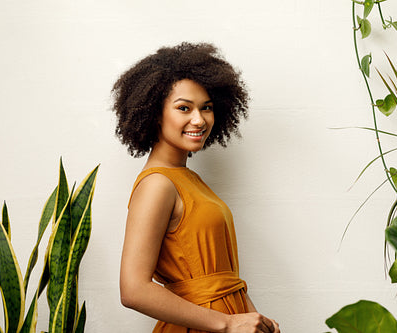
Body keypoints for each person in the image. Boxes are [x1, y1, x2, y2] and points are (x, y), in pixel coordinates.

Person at [112, 42, 280, 333]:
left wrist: (253, 318)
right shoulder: (157, 185)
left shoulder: (188, 180)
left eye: (207, 108)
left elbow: (223, 279)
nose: (199, 119)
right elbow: (133, 289)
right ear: (154, 112)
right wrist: (227, 323)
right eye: (183, 108)